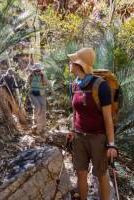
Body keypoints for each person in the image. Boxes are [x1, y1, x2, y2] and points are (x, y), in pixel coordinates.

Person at [66, 48, 118, 200]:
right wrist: (72, 130)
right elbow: (75, 112)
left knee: (101, 175)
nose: (70, 63)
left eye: (72, 61)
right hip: (79, 138)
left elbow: (108, 118)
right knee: (81, 173)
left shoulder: (101, 86)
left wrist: (111, 144)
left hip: (98, 139)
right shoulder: (74, 86)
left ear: (80, 64)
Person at [27, 63, 48, 134]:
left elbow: (47, 83)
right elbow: (27, 85)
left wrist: (51, 90)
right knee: (37, 107)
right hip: (33, 93)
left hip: (41, 94)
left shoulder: (43, 76)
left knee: (43, 110)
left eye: (39, 70)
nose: (38, 72)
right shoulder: (30, 76)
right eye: (37, 71)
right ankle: (35, 122)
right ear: (34, 71)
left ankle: (43, 128)